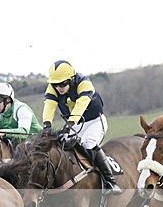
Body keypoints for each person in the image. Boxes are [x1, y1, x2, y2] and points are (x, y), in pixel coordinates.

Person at [42, 60, 122, 194]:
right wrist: (47, 126)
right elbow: (49, 105)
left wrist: (69, 126)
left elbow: (80, 105)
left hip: (94, 121)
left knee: (88, 144)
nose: (59, 88)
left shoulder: (84, 84)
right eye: (55, 85)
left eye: (63, 84)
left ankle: (110, 181)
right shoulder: (53, 87)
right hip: (75, 124)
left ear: (71, 79)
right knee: (62, 146)